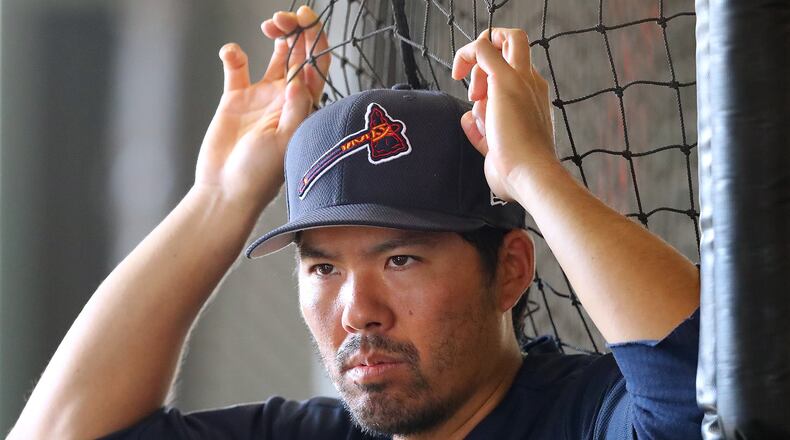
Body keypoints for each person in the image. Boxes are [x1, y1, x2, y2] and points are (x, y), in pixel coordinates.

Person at [9, 5, 702, 440]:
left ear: (510, 270)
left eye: (400, 259)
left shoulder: (584, 418)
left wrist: (534, 178)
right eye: (323, 267)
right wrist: (218, 198)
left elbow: (708, 395)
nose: (357, 312)